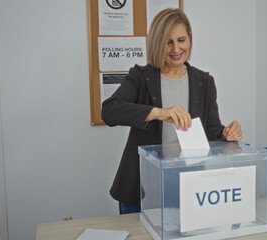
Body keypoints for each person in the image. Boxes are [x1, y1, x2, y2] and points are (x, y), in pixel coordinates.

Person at [101, 8, 242, 214]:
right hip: (140, 189)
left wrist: (226, 133)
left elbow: (212, 129)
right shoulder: (140, 76)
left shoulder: (204, 82)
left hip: (187, 187)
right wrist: (158, 113)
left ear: (189, 39)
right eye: (168, 42)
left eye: (181, 40)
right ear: (158, 42)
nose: (176, 48)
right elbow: (109, 111)